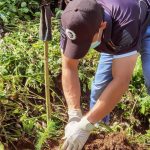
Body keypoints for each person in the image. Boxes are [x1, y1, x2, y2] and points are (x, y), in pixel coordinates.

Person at [59, 0, 150, 149]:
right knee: (99, 90)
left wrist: (85, 125)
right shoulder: (72, 18)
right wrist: (74, 115)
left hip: (143, 22)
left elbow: (121, 79)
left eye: (87, 43)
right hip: (111, 33)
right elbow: (69, 67)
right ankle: (101, 138)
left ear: (102, 26)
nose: (85, 49)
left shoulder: (125, 23)